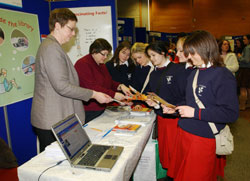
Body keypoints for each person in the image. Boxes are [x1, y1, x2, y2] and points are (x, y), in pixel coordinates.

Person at [31, 8, 112, 152]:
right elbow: (62, 86)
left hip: (56, 117)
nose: (73, 33)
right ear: (57, 26)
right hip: (51, 119)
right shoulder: (51, 48)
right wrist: (94, 94)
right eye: (71, 29)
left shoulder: (54, 47)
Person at [163, 30, 239, 180]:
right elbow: (190, 102)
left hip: (203, 139)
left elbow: (230, 113)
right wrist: (175, 109)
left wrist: (195, 113)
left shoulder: (222, 75)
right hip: (185, 134)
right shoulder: (195, 73)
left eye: (192, 53)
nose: (189, 57)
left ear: (205, 49)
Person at [145, 41, 187, 179]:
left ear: (163, 53)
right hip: (161, 118)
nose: (152, 59)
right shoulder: (154, 74)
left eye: (154, 55)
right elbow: (154, 94)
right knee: (166, 153)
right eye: (149, 56)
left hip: (176, 120)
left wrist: (173, 108)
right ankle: (171, 175)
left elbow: (184, 96)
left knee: (176, 154)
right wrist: (153, 103)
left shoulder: (178, 70)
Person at [74, 38, 132, 123]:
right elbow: (92, 87)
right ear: (94, 51)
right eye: (103, 54)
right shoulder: (83, 64)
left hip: (102, 108)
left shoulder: (101, 64)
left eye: (107, 55)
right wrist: (114, 94)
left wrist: (120, 86)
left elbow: (109, 82)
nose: (105, 57)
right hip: (89, 110)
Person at [237, 34, 250, 110]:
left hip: (245, 69)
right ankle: (248, 104)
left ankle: (242, 105)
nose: (243, 41)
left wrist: (239, 57)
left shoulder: (247, 48)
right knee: (248, 88)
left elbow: (246, 60)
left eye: (245, 39)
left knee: (243, 89)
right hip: (248, 69)